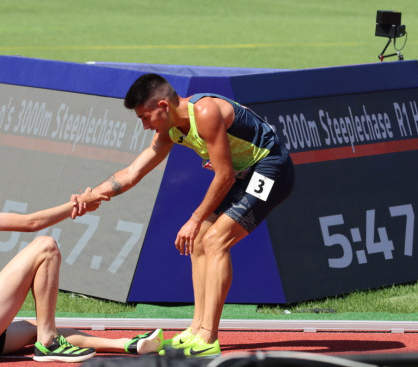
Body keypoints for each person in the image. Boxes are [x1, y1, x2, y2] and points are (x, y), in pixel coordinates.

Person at [87, 73, 295, 358]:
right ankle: (197, 329)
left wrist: (195, 218)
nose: (145, 125)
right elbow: (133, 173)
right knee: (200, 241)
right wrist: (94, 194)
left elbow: (223, 177)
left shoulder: (206, 112)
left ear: (163, 105)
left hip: (272, 168)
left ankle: (208, 337)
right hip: (244, 173)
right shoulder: (171, 129)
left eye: (145, 117)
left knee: (215, 240)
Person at [0, 160, 163, 363]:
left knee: (36, 324)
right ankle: (48, 344)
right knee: (45, 246)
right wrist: (78, 204)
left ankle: (126, 344)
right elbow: (31, 223)